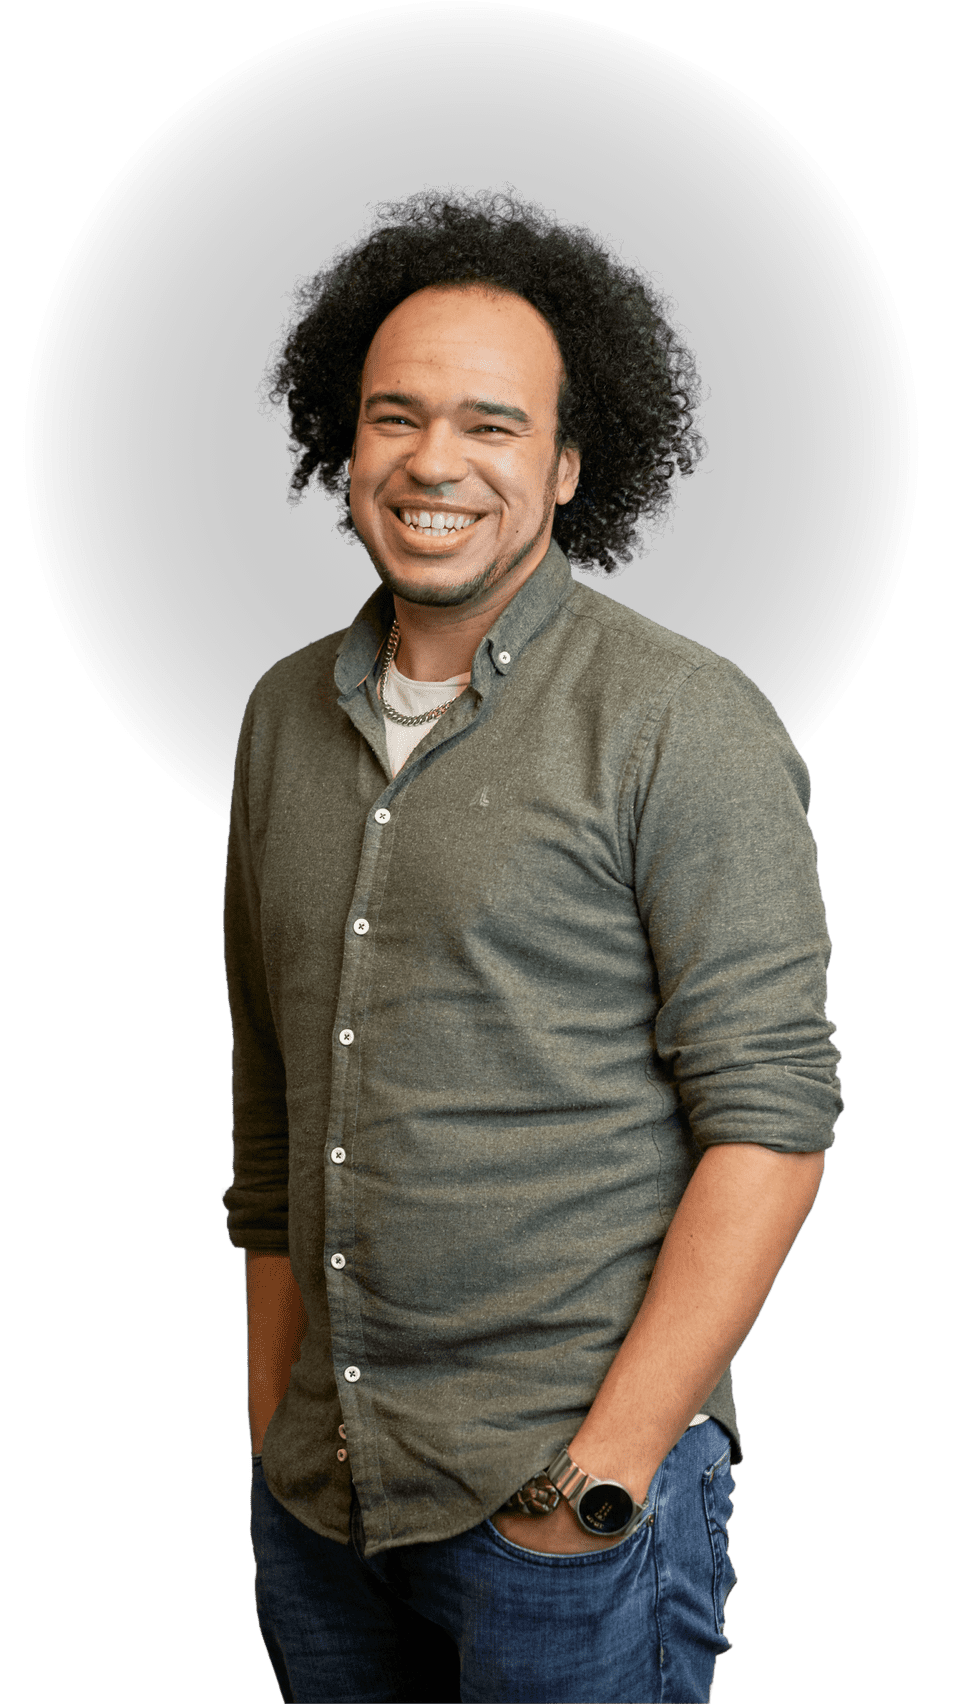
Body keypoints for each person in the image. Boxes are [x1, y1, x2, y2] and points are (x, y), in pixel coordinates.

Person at [222, 189, 842, 1704]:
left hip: (561, 1516)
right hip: (321, 1508)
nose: (435, 461)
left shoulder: (682, 721)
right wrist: (275, 1436)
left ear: (569, 467)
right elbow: (272, 1113)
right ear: (341, 444)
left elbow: (770, 1123)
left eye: (493, 426)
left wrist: (602, 1477)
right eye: (395, 417)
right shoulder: (281, 719)